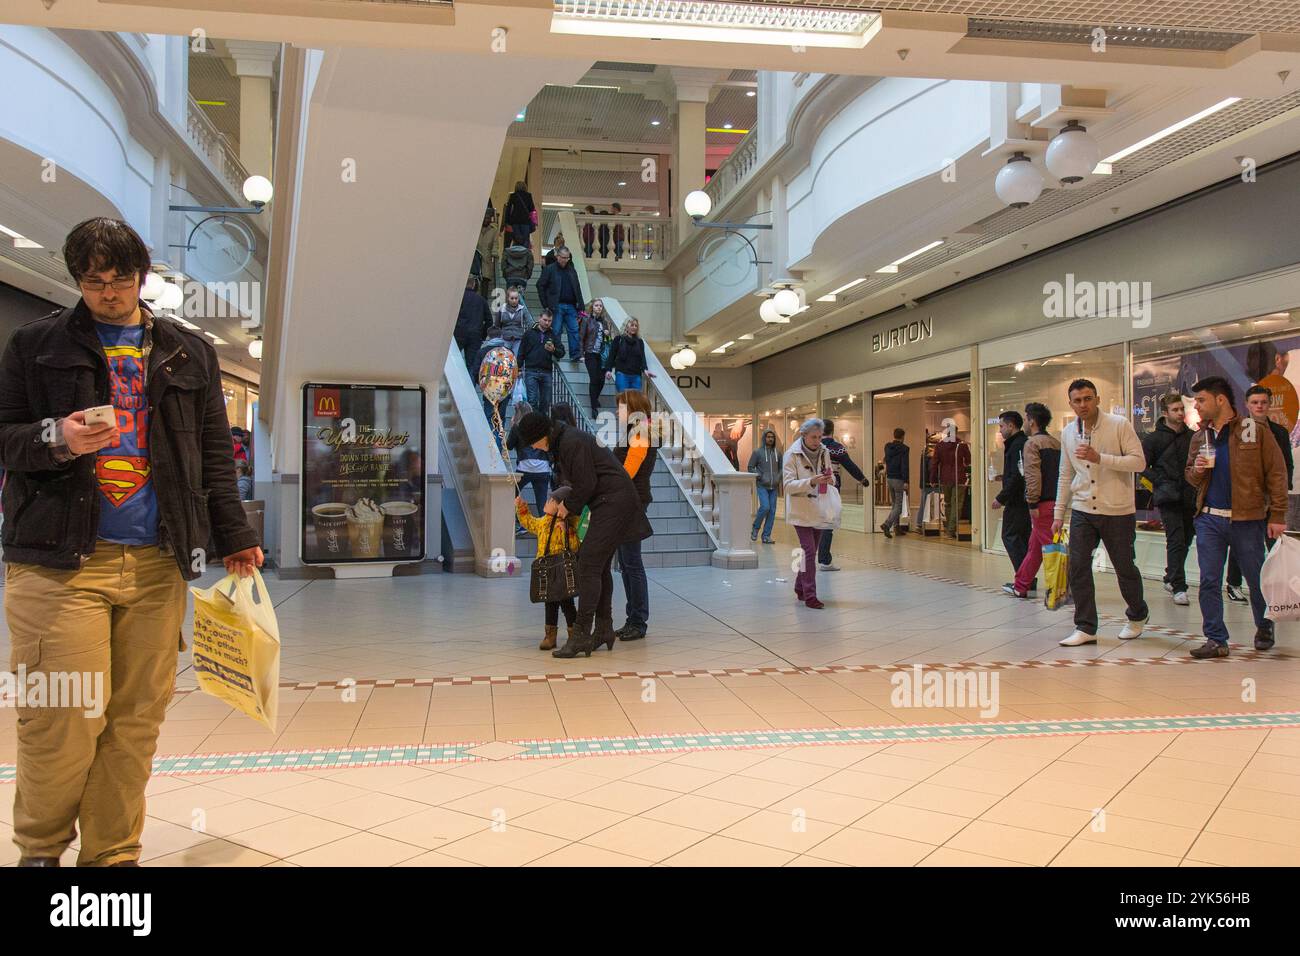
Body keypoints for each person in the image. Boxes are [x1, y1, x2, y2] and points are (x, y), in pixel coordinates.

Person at [0, 217, 261, 867]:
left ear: (143, 277)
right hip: (59, 563)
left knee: (134, 723)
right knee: (62, 718)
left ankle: (113, 855)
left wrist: (234, 534)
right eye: (94, 282)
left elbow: (212, 455)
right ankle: (40, 850)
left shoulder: (187, 351)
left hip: (155, 565)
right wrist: (55, 438)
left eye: (120, 280)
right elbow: (5, 438)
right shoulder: (34, 346)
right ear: (77, 281)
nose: (108, 293)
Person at [514, 411, 651, 657]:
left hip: (614, 502)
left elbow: (585, 483)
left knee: (587, 563)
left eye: (533, 443)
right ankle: (603, 629)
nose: (534, 448)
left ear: (540, 436)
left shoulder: (570, 441)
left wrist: (566, 507)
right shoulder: (565, 440)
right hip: (611, 502)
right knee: (599, 566)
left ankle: (580, 634)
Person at [1185, 377, 1289, 658]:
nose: (1197, 406)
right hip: (1208, 518)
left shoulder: (1254, 431)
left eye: (1201, 400)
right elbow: (1191, 478)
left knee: (1256, 578)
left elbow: (1277, 473)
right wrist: (1197, 469)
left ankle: (1264, 626)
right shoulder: (1200, 436)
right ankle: (1216, 639)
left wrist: (1277, 515)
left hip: (1248, 518)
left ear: (1220, 400)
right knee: (1208, 579)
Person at [1052, 379, 1149, 646]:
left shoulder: (1119, 425)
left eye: (1087, 398)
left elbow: (1139, 462)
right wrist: (1059, 514)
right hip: (1083, 508)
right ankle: (1085, 626)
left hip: (1117, 510)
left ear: (1097, 399)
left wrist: (1101, 458)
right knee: (1078, 567)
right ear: (1070, 404)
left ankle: (1137, 614)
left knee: (1124, 566)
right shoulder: (1069, 433)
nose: (1083, 404)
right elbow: (1065, 473)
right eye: (1077, 400)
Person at [1224, 384, 1295, 603]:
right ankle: (1234, 583)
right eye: (1255, 402)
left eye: (1263, 402)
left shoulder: (1279, 432)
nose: (1259, 406)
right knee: (1241, 542)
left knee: (1274, 544)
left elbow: (1285, 466)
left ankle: (1275, 586)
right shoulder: (1239, 430)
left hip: (1271, 499)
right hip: (1247, 499)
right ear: (1247, 404)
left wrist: (1282, 492)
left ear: (1269, 404)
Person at [1142, 392, 1196, 606]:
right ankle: (1179, 586)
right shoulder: (1154, 439)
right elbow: (1142, 465)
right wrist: (1160, 480)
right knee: (1176, 538)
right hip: (1167, 495)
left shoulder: (1191, 436)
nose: (1180, 413)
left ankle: (1170, 576)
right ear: (1165, 413)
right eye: (1175, 410)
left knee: (1187, 537)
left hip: (1189, 494)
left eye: (1181, 409)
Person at [1005, 402, 1060, 599]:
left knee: (1052, 548)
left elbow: (1033, 476)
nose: (1025, 423)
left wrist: (1032, 502)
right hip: (1055, 501)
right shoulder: (1055, 443)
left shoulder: (1032, 444)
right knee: (1034, 547)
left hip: (1042, 504)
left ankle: (1061, 588)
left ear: (1032, 420)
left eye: (1027, 419)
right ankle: (1021, 584)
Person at [614, 389, 656, 642]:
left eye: (620, 407)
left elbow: (628, 470)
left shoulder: (640, 432)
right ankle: (633, 618)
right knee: (627, 564)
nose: (617, 411)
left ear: (633, 408)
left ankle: (638, 621)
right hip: (627, 501)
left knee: (632, 564)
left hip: (633, 502)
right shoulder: (634, 432)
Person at [515, 491, 579, 651]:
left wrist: (567, 531)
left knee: (567, 604)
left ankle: (574, 635)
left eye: (551, 500)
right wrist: (522, 508)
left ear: (560, 506)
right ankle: (550, 636)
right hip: (546, 570)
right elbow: (528, 522)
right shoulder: (543, 522)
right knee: (549, 603)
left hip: (562, 571)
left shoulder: (570, 524)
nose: (547, 501)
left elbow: (575, 546)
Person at [784, 419, 837, 609]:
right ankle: (810, 595)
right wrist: (811, 482)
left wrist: (831, 479)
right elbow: (788, 486)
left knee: (811, 552)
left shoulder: (825, 451)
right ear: (803, 436)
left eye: (819, 437)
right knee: (807, 551)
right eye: (813, 437)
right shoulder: (791, 454)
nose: (817, 441)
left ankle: (799, 586)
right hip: (801, 509)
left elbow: (831, 474)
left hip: (820, 507)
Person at [817, 419, 867, 572]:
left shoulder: (813, 446)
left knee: (816, 523)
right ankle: (824, 560)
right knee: (829, 523)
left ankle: (816, 556)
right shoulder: (837, 448)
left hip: (814, 489)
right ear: (832, 431)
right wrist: (862, 479)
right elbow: (849, 465)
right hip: (831, 490)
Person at [992, 410, 1032, 594]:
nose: (1000, 431)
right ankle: (1026, 577)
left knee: (1010, 536)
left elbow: (1018, 475)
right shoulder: (1018, 444)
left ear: (1011, 425)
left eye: (1001, 426)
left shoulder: (1017, 445)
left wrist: (1001, 497)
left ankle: (1024, 578)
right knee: (1021, 538)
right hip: (1021, 499)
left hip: (1017, 501)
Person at [506, 401, 550, 535]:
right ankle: (545, 530)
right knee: (542, 502)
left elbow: (508, 446)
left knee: (511, 495)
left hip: (524, 467)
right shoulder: (542, 427)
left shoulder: (517, 427)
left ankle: (520, 524)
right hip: (543, 468)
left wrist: (511, 426)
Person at [537, 246, 584, 359]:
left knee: (574, 331)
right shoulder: (549, 269)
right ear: (557, 256)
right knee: (556, 330)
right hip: (556, 306)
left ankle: (575, 355)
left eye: (567, 258)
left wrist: (580, 306)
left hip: (571, 306)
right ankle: (556, 354)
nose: (565, 260)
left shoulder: (572, 270)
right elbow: (540, 285)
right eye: (563, 257)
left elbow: (577, 288)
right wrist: (546, 304)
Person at [519, 308, 564, 415]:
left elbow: (562, 352)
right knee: (532, 401)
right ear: (539, 318)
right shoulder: (529, 333)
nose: (547, 323)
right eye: (545, 320)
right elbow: (521, 351)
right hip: (531, 370)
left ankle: (542, 426)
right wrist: (519, 367)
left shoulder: (553, 334)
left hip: (546, 371)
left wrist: (553, 350)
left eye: (549, 321)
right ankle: (532, 425)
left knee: (545, 402)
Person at [579, 299, 616, 414]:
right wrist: (581, 354)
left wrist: (607, 334)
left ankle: (594, 398)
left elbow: (608, 340)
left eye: (600, 306)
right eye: (596, 305)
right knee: (594, 379)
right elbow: (581, 338)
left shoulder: (605, 322)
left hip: (601, 355)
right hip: (590, 353)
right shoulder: (586, 320)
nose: (599, 307)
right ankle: (593, 406)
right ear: (592, 307)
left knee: (601, 380)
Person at [748, 428, 781, 543]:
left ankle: (766, 536)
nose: (770, 439)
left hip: (774, 486)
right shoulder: (757, 452)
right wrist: (759, 475)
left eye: (772, 437)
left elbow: (781, 468)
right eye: (768, 437)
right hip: (762, 485)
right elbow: (750, 467)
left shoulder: (778, 453)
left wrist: (778, 477)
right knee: (765, 507)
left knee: (772, 511)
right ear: (764, 438)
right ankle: (755, 528)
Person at [454, 275, 492, 375]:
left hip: (458, 333)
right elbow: (489, 321)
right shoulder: (481, 300)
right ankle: (469, 388)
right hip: (475, 335)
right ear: (474, 284)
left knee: (453, 362)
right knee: (471, 365)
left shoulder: (458, 298)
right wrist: (482, 335)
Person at [605, 317, 654, 392]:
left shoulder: (639, 341)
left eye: (636, 326)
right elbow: (611, 356)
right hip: (622, 374)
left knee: (635, 402)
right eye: (632, 325)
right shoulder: (618, 339)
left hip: (636, 376)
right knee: (623, 401)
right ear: (626, 326)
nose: (634, 327)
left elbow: (642, 358)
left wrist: (645, 370)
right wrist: (608, 370)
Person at [881, 428, 909, 538]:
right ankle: (887, 524)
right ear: (902, 437)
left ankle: (897, 528)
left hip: (889, 478)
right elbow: (904, 465)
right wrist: (906, 480)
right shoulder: (904, 449)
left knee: (894, 504)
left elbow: (886, 460)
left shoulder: (887, 447)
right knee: (899, 506)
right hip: (898, 479)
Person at [491, 286, 532, 357]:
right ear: (507, 298)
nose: (514, 300)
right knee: (504, 360)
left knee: (516, 360)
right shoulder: (502, 309)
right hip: (505, 339)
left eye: (516, 298)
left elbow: (530, 322)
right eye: (512, 298)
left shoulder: (522, 309)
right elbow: (497, 325)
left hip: (518, 339)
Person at [502, 180, 536, 248]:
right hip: (526, 222)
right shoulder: (528, 196)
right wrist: (534, 222)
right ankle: (524, 255)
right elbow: (532, 209)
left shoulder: (513, 196)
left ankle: (517, 254)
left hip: (515, 222)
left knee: (517, 240)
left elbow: (508, 210)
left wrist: (506, 222)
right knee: (525, 241)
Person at [475, 210, 498, 299]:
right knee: (475, 279)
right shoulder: (476, 228)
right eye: (484, 218)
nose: (485, 219)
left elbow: (495, 243)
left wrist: (494, 253)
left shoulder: (493, 230)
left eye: (487, 218)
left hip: (487, 258)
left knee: (485, 279)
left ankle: (484, 299)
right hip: (476, 258)